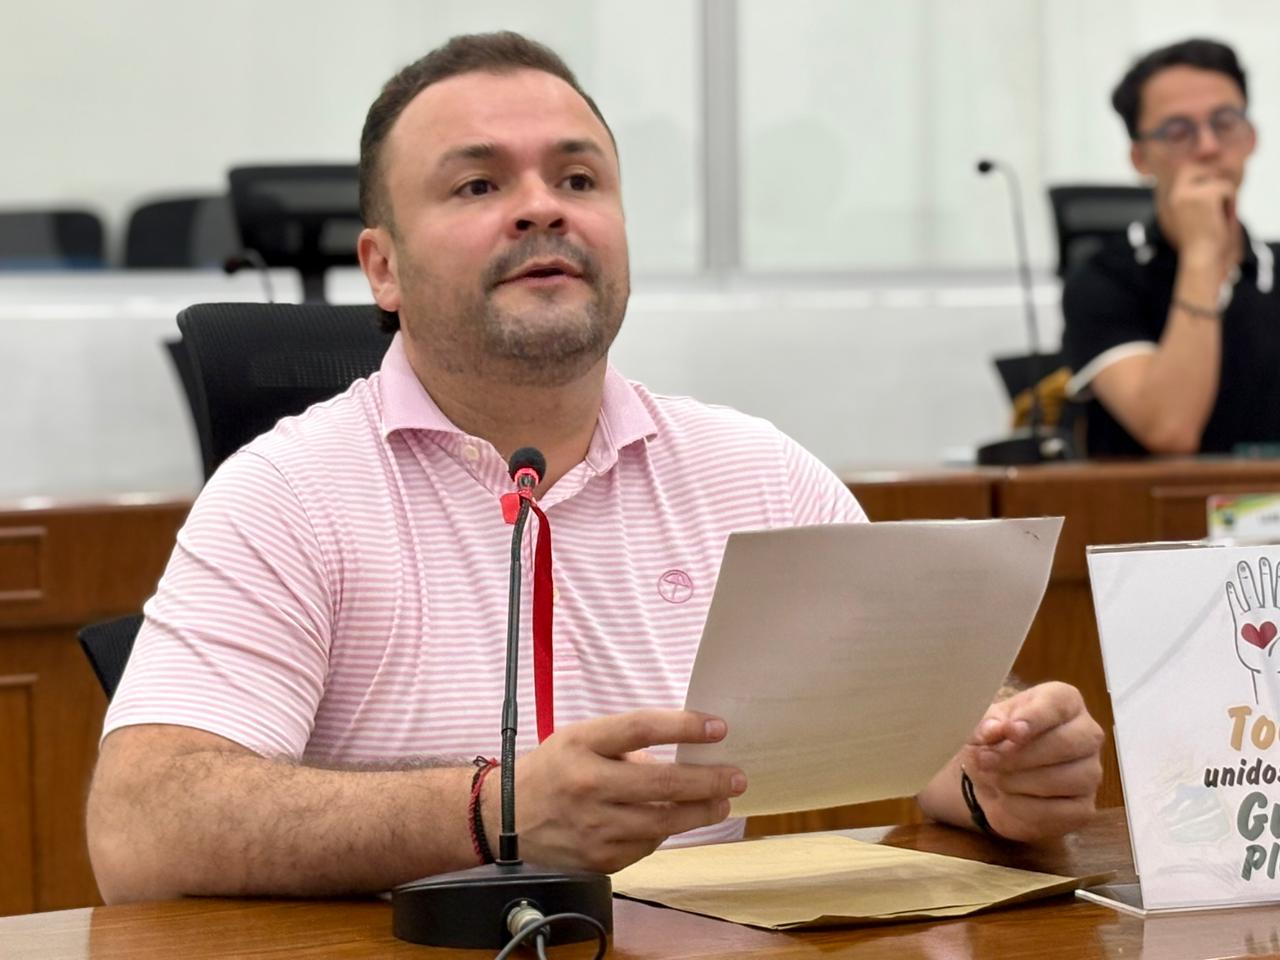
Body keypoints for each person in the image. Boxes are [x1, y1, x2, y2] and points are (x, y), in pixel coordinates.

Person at [86, 32, 1103, 903]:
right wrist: (490, 811)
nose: (543, 210)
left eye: (577, 180)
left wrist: (1002, 770)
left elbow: (925, 729)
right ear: (383, 269)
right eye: (479, 184)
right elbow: (140, 827)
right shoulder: (288, 493)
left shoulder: (752, 473)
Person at [1062, 38, 1280, 456]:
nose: (1208, 147)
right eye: (1178, 132)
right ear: (1140, 158)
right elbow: (1171, 431)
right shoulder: (1103, 279)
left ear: (1251, 138)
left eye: (1225, 122)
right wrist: (1202, 253)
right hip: (1150, 499)